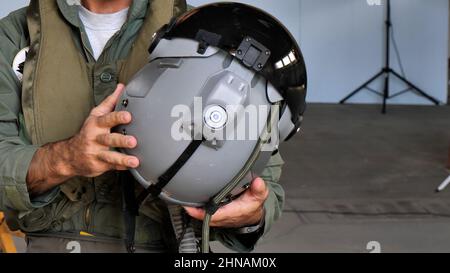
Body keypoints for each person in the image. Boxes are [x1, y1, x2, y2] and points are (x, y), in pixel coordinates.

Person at [0, 0, 285, 253]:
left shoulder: (207, 35)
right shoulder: (16, 35)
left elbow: (263, 179)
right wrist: (64, 159)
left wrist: (250, 215)